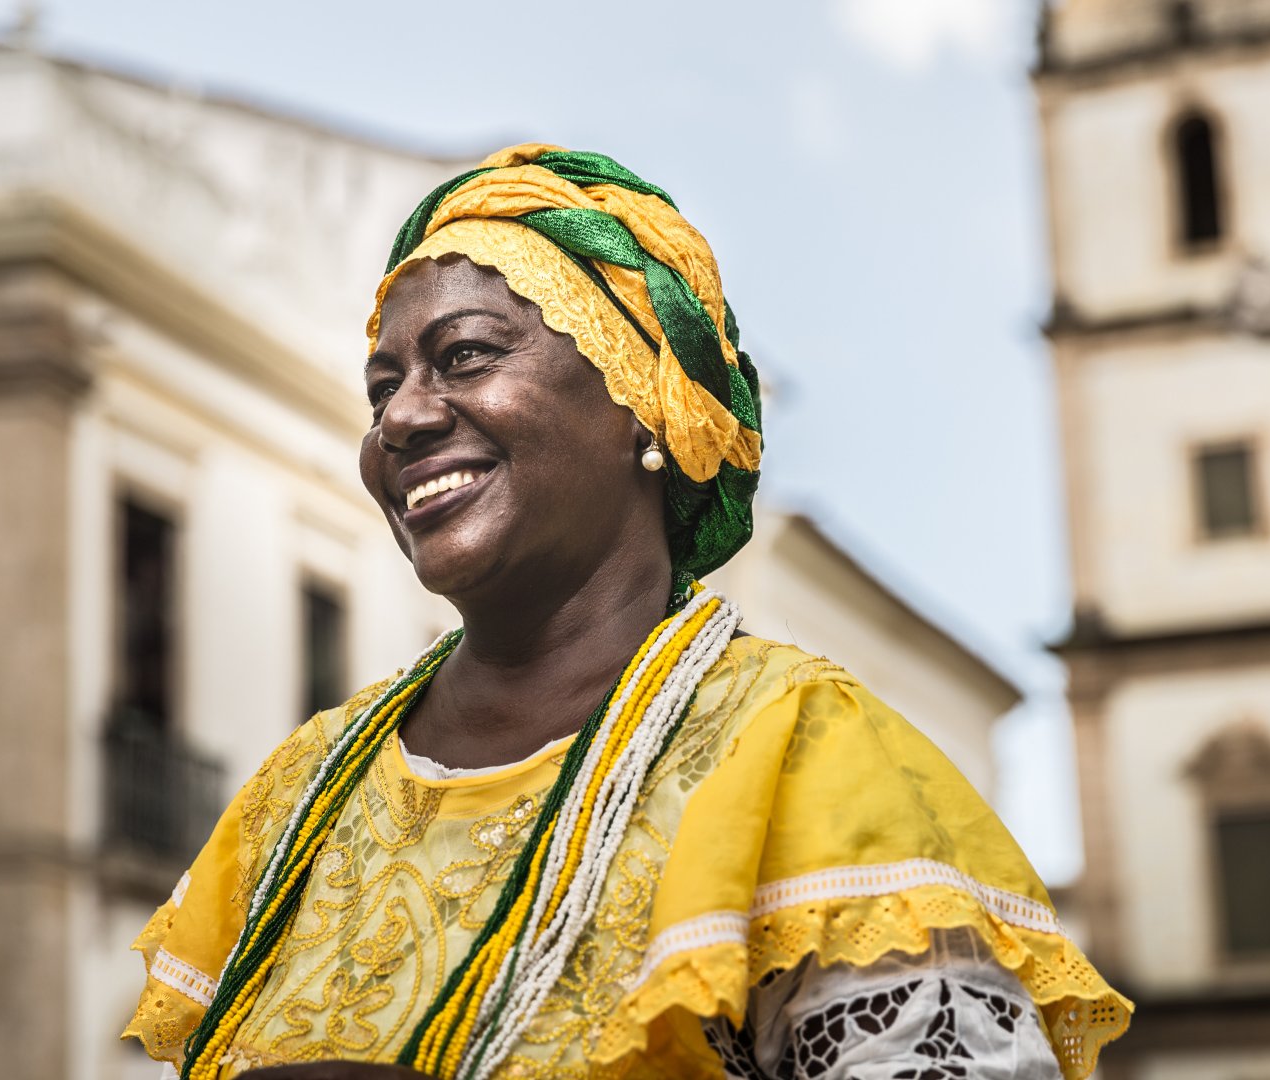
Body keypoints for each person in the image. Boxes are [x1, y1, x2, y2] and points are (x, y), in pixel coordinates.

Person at [124, 145, 1131, 1080]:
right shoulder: (299, 791)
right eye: (382, 384)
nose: (401, 416)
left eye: (467, 356)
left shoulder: (800, 752)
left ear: (646, 401)